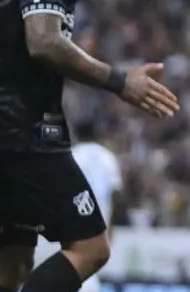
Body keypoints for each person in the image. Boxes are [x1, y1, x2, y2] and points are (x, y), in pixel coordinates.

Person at [0, 0, 178, 292]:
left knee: (11, 263)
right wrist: (120, 82)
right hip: (20, 131)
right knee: (91, 247)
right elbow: (43, 41)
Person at [70, 120, 122, 292]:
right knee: (93, 264)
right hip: (102, 219)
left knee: (77, 262)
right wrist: (113, 224)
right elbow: (116, 193)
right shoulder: (108, 157)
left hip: (76, 218)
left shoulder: (72, 155)